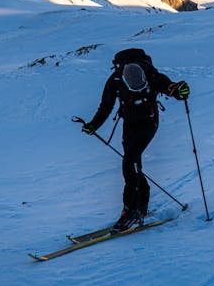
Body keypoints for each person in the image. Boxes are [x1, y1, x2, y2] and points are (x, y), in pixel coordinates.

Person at [81, 48, 190, 231]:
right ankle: (141, 205)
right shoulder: (115, 80)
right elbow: (106, 106)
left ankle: (131, 210)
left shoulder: (152, 75)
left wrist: (180, 92)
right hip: (129, 125)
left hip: (148, 123)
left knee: (129, 162)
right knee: (133, 164)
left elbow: (170, 88)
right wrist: (94, 125)